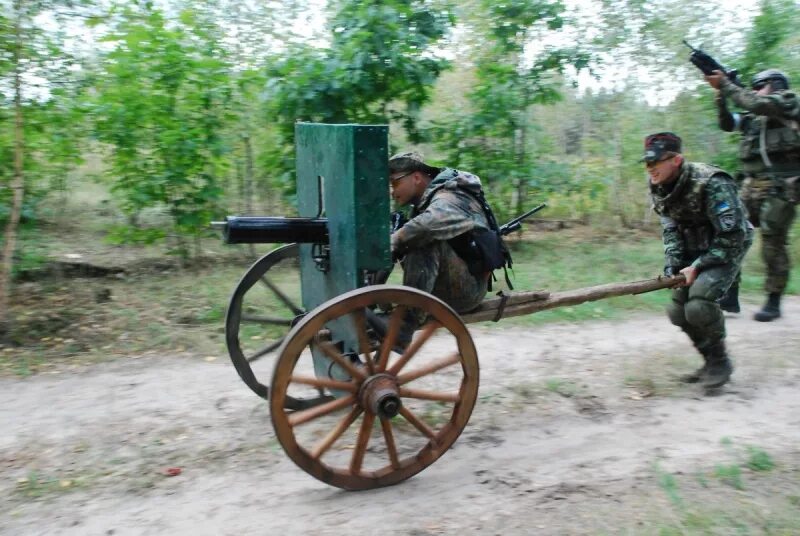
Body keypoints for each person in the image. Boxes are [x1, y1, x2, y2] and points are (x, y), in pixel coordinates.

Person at [645, 132, 753, 388]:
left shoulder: (712, 182)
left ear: (676, 160)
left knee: (699, 303)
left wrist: (698, 266)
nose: (650, 169)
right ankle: (709, 361)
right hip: (695, 249)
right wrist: (673, 262)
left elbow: (732, 235)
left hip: (727, 246)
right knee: (677, 311)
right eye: (647, 163)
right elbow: (670, 228)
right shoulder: (659, 186)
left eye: (656, 162)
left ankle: (721, 361)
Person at [706, 68, 800, 321]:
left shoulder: (789, 102)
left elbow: (756, 102)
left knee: (772, 242)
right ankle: (729, 295)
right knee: (730, 233)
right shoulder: (755, 118)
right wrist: (720, 96)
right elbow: (727, 123)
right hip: (750, 185)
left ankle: (773, 301)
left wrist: (726, 84)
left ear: (775, 85)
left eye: (759, 86)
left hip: (782, 186)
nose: (755, 91)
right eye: (754, 87)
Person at [386, 151, 492, 315]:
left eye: (395, 183)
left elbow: (428, 226)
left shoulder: (450, 196)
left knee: (421, 238)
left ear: (416, 177)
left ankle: (405, 325)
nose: (392, 191)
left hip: (467, 292)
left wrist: (393, 241)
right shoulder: (422, 203)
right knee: (398, 231)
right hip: (441, 284)